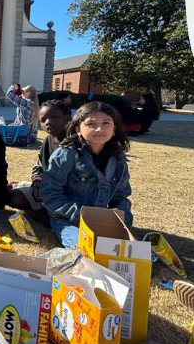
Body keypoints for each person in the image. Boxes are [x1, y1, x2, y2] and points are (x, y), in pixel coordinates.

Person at [41, 102, 135, 247]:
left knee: (124, 252)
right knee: (86, 250)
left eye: (106, 123)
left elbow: (121, 196)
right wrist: (81, 215)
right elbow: (50, 192)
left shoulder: (118, 159)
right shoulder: (66, 154)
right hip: (68, 220)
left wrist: (122, 220)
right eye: (91, 124)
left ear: (114, 128)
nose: (99, 129)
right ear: (78, 128)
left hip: (104, 222)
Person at [9, 101, 69, 223]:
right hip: (45, 193)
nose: (48, 122)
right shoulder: (48, 141)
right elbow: (39, 166)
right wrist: (37, 184)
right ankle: (40, 213)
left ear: (67, 117)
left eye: (54, 117)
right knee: (12, 197)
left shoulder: (76, 145)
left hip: (66, 198)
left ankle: (50, 219)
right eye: (43, 119)